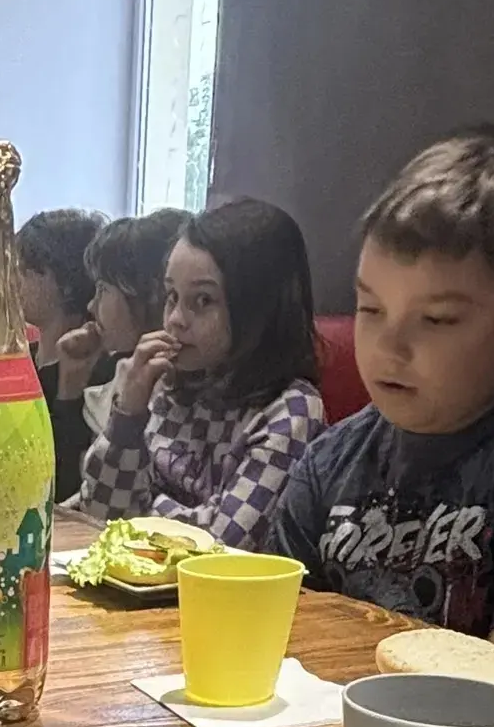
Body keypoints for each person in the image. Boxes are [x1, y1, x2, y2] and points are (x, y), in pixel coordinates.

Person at [270, 126, 494, 662]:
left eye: (437, 319)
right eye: (371, 308)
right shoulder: (330, 461)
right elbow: (272, 639)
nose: (388, 347)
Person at [80, 198, 325, 544]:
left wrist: (142, 503)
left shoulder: (291, 408)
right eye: (171, 296)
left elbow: (222, 544)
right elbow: (97, 513)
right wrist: (128, 416)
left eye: (203, 300)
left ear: (257, 309)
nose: (175, 319)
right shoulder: (167, 384)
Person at [15, 207, 109, 501]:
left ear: (65, 282)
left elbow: (66, 480)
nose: (13, 280)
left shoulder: (95, 369)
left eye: (26, 270)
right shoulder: (21, 359)